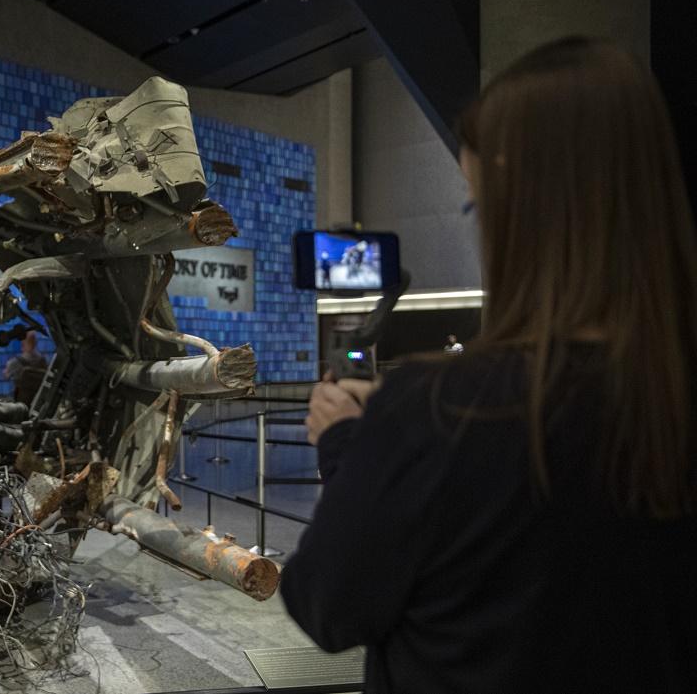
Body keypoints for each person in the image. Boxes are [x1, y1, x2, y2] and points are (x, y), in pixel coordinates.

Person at [283, 38, 697, 693]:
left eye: (480, 206)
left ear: (525, 214)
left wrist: (345, 444)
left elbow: (326, 603)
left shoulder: (437, 408)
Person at [3, 330, 48, 405]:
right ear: (35, 343)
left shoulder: (15, 362)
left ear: (22, 343)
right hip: (38, 404)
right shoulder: (43, 361)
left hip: (21, 405)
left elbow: (6, 375)